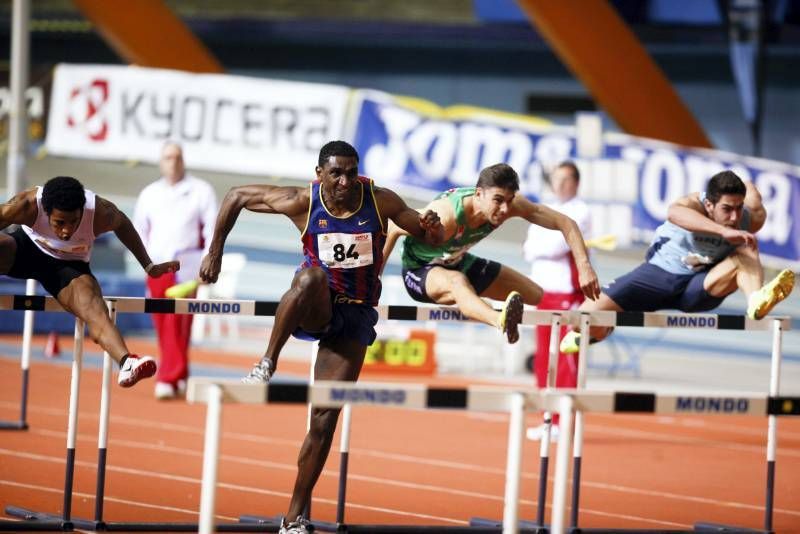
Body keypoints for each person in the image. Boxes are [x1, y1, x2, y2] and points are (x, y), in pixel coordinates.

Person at [198, 140, 444, 534]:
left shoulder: (379, 201)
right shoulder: (303, 201)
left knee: (325, 418)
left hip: (357, 314)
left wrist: (434, 229)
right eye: (336, 173)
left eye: (351, 171)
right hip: (319, 304)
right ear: (320, 174)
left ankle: (293, 518)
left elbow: (427, 232)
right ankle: (267, 362)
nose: (346, 180)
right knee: (310, 277)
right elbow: (235, 195)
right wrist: (215, 252)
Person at [560, 170, 795, 354]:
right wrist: (722, 232)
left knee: (746, 249)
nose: (734, 217)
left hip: (699, 287)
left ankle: (755, 299)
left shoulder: (749, 217)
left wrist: (746, 206)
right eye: (726, 209)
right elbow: (675, 213)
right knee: (583, 317)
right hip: (657, 276)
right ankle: (599, 332)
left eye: (738, 208)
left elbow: (753, 199)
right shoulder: (691, 203)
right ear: (709, 204)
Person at [382, 162, 601, 348]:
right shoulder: (446, 214)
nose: (505, 209)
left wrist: (584, 266)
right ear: (479, 194)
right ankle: (498, 320)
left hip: (457, 260)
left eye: (509, 199)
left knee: (534, 294)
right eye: (498, 200)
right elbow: (393, 227)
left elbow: (566, 223)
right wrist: (374, 281)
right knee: (458, 282)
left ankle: (471, 301)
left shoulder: (511, 205)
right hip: (420, 270)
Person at [0, 176, 179, 387]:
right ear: (46, 211)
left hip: (68, 267)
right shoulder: (26, 205)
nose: (66, 230)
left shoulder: (99, 212)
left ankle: (127, 362)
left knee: (94, 311)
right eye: (59, 222)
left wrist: (149, 266)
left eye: (73, 221)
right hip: (25, 250)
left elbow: (123, 224)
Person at [133, 141, 218, 400]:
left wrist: (206, 265)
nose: (173, 162)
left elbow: (212, 229)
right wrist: (145, 262)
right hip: (157, 266)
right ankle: (179, 374)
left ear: (184, 160)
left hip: (186, 266)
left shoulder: (201, 191)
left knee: (179, 321)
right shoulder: (149, 194)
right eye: (168, 157)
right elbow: (139, 231)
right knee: (162, 323)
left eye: (177, 157)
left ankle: (168, 377)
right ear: (161, 162)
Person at [522, 162, 591, 441]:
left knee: (564, 360)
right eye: (556, 179)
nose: (560, 184)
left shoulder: (580, 211)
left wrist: (541, 245)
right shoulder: (544, 208)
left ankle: (564, 421)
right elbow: (528, 248)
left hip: (566, 294)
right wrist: (540, 246)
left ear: (575, 182)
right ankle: (547, 419)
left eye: (566, 179)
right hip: (541, 291)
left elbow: (557, 246)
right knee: (542, 360)